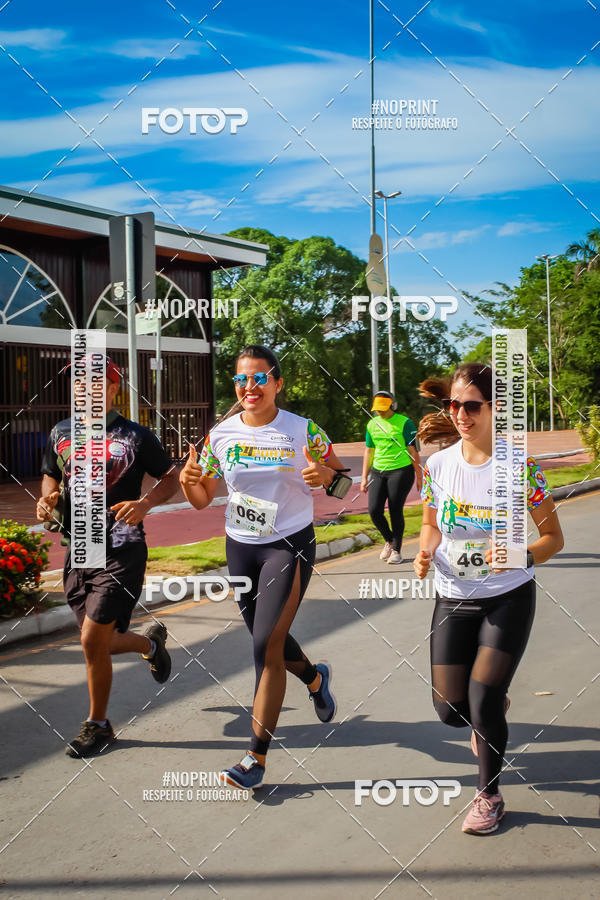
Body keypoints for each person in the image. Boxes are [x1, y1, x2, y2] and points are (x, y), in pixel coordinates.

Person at [179, 345, 350, 790]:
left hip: (288, 544)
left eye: (259, 378)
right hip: (241, 546)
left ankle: (255, 757)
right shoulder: (221, 435)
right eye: (242, 379)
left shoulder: (304, 431)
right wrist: (189, 484)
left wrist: (327, 478)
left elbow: (343, 482)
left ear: (277, 383)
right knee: (267, 635)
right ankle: (315, 677)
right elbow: (203, 498)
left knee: (263, 647)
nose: (249, 387)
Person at [413, 363, 564, 835]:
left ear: (496, 409)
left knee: (482, 698)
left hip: (507, 597)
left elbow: (554, 538)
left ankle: (488, 796)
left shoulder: (520, 468)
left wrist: (518, 553)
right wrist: (424, 550)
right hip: (452, 594)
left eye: (471, 406)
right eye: (453, 405)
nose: (459, 413)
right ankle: (490, 710)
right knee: (449, 710)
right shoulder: (438, 464)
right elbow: (432, 524)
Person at [37, 354, 179, 758]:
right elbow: (51, 471)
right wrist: (47, 497)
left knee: (91, 638)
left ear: (114, 388)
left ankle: (97, 725)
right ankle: (150, 646)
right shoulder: (60, 432)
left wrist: (144, 503)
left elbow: (170, 478)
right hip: (78, 547)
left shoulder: (136, 436)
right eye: (78, 383)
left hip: (122, 549)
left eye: (96, 382)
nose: (85, 388)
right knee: (96, 643)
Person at [360, 391, 422, 564]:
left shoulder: (405, 423)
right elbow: (369, 450)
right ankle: (389, 540)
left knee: (395, 510)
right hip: (378, 471)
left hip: (401, 470)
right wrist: (364, 477)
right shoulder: (372, 424)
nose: (379, 412)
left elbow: (413, 451)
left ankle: (396, 550)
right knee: (374, 510)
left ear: (392, 405)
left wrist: (419, 476)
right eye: (377, 409)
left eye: (383, 408)